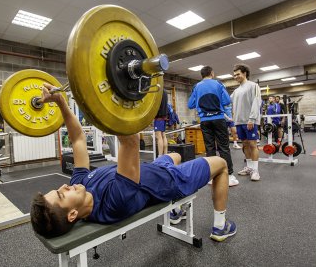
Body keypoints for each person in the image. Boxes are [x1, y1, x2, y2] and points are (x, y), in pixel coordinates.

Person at [30, 83, 237, 242]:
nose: (64, 186)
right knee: (220, 163)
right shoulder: (113, 203)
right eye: (61, 194)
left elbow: (77, 140)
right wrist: (118, 94)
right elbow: (129, 142)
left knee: (176, 155)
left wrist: (61, 102)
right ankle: (220, 226)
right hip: (169, 182)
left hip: (151, 170)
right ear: (73, 214)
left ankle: (175, 213)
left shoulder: (80, 182)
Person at [188, 66, 238, 187]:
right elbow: (226, 101)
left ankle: (211, 176)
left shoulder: (196, 86)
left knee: (209, 147)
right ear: (212, 73)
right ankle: (229, 175)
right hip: (219, 119)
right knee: (224, 147)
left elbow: (190, 105)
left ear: (201, 75)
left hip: (205, 121)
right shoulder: (218, 84)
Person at [231, 64, 262, 181]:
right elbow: (227, 102)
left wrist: (252, 119)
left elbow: (257, 101)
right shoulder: (236, 91)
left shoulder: (253, 86)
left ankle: (255, 170)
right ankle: (249, 167)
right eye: (234, 75)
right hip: (238, 121)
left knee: (253, 145)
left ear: (244, 73)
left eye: (238, 74)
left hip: (250, 121)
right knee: (245, 145)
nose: (236, 76)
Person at [154, 89, 168, 157]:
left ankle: (160, 156)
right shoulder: (165, 91)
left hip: (159, 118)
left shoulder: (157, 91)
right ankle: (165, 154)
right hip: (164, 117)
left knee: (159, 137)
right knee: (163, 136)